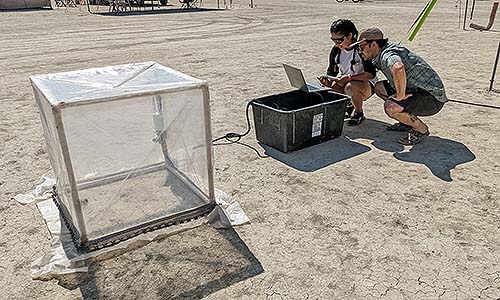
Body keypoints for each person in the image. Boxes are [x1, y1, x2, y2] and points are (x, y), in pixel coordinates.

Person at [352, 27, 448, 145]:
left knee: (391, 107)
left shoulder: (387, 54)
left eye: (362, 47)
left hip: (432, 99)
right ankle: (406, 122)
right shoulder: (383, 51)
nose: (360, 51)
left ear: (373, 44)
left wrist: (400, 95)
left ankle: (421, 129)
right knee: (379, 87)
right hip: (419, 90)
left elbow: (398, 67)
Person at [319, 19, 377, 125]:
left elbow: (370, 74)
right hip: (346, 82)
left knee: (350, 87)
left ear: (350, 35)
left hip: (366, 85)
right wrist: (326, 81)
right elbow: (331, 71)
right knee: (328, 87)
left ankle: (358, 112)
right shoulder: (336, 51)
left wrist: (350, 78)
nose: (337, 44)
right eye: (334, 40)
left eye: (340, 40)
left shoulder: (361, 49)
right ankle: (348, 105)